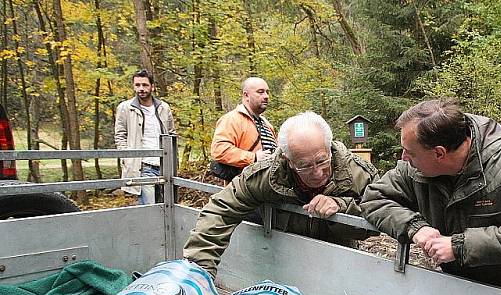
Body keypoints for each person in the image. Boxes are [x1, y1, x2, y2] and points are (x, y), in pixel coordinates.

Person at [360, 98, 501, 295]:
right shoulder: (413, 167)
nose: (403, 157)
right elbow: (374, 199)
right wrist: (415, 227)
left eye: (410, 152)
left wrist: (458, 246)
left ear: (439, 153)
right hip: (459, 286)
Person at [184, 111, 378, 276]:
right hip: (281, 267)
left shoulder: (359, 174)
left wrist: (341, 207)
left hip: (338, 269)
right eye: (304, 166)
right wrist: (200, 271)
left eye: (321, 161)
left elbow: (379, 217)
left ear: (329, 148)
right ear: (288, 159)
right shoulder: (267, 175)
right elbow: (220, 210)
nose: (317, 173)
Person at [114, 69, 176, 204]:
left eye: (144, 85)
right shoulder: (125, 108)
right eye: (137, 85)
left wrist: (172, 161)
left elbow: (171, 134)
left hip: (163, 164)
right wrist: (128, 157)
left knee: (166, 207)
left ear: (152, 87)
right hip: (143, 166)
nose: (141, 89)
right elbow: (120, 135)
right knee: (149, 207)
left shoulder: (163, 108)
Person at [209, 77, 278, 182]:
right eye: (260, 92)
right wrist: (253, 157)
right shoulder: (232, 119)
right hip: (243, 191)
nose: (266, 96)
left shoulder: (266, 123)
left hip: (267, 188)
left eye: (267, 92)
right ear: (246, 95)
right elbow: (219, 150)